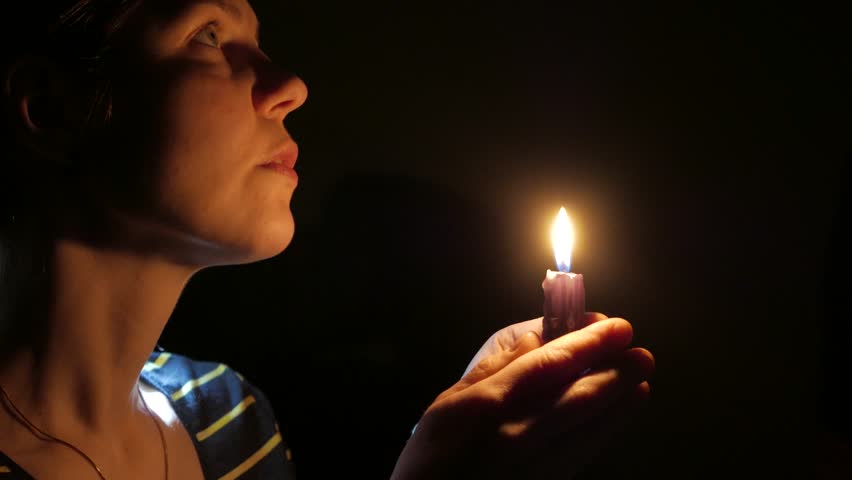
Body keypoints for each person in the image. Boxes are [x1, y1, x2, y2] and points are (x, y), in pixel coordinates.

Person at [0, 0, 655, 479]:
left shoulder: (225, 418)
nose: (291, 85)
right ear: (51, 108)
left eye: (258, 38)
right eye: (207, 34)